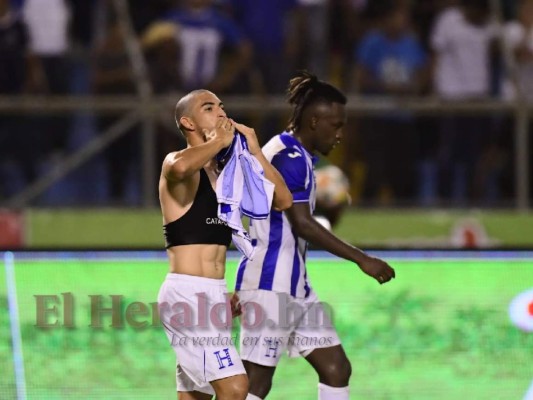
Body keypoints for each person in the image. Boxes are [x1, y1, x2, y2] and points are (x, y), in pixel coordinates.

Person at [235, 71, 396, 400]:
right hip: (270, 285)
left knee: (335, 367)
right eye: (335, 126)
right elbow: (302, 223)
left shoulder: (294, 153)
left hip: (295, 284)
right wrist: (362, 259)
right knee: (256, 382)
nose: (339, 135)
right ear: (313, 122)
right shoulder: (289, 159)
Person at [157, 89, 293, 400]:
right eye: (209, 108)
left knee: (196, 396)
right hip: (188, 293)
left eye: (222, 106)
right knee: (235, 387)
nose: (220, 113)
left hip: (213, 296)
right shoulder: (177, 164)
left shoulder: (228, 174)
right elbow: (178, 168)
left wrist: (256, 152)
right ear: (188, 122)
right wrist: (217, 141)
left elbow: (282, 200)